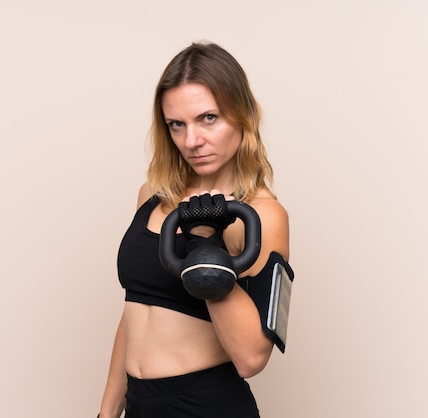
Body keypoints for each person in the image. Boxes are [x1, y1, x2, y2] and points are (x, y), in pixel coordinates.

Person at [98, 41, 290, 418]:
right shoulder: (152, 195)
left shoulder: (262, 215)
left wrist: (206, 245)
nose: (191, 141)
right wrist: (107, 412)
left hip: (206, 406)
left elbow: (251, 358)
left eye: (208, 118)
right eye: (177, 124)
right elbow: (135, 312)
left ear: (242, 116)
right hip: (140, 405)